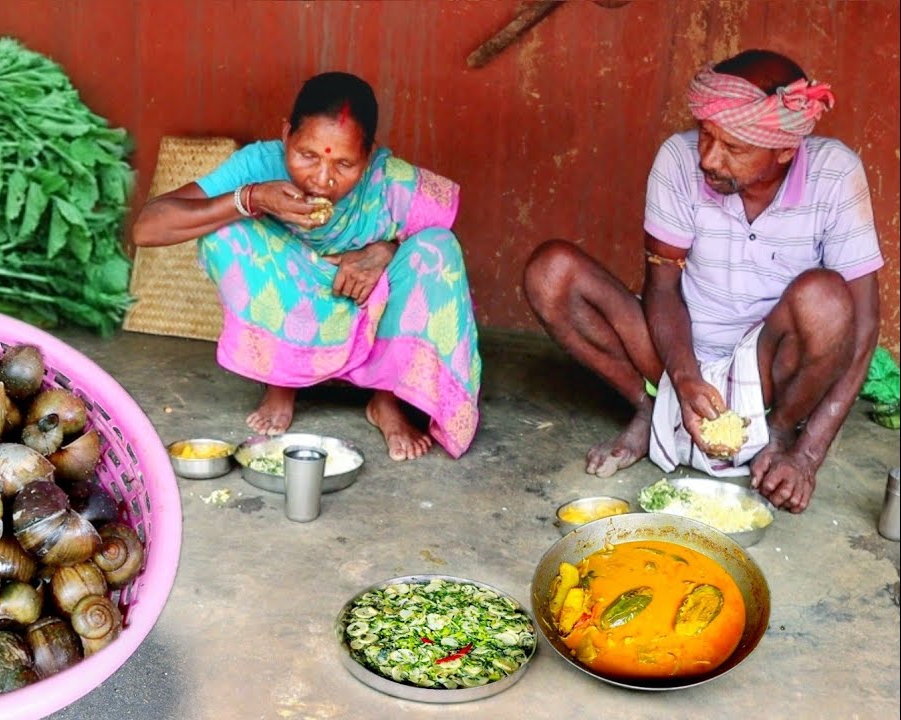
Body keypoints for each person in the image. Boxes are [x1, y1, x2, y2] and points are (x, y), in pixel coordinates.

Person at [522, 49, 882, 513]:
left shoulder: (836, 174)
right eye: (707, 136)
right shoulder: (678, 158)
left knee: (826, 299)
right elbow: (663, 288)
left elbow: (864, 324)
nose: (709, 158)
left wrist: (806, 455)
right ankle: (651, 409)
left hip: (768, 363)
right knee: (551, 272)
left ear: (785, 151)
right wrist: (685, 377)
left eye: (734, 148)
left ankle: (776, 433)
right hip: (675, 350)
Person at [132, 72, 481, 461]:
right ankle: (281, 383)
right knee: (224, 232)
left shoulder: (388, 179)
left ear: (369, 156)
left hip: (364, 302)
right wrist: (251, 199)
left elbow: (438, 233)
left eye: (345, 164)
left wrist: (385, 250)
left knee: (439, 248)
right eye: (307, 156)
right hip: (295, 294)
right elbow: (148, 227)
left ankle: (386, 400)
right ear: (286, 135)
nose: (322, 178)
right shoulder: (258, 165)